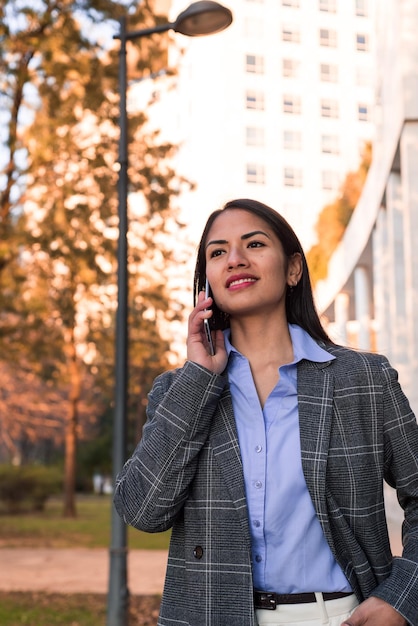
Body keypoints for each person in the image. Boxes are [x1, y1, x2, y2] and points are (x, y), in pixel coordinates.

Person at [114, 198, 418, 626]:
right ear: (207, 285)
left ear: (293, 269)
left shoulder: (363, 379)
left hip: (342, 615)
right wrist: (199, 377)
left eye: (254, 244)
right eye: (218, 252)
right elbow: (143, 511)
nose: (234, 260)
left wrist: (402, 598)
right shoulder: (179, 390)